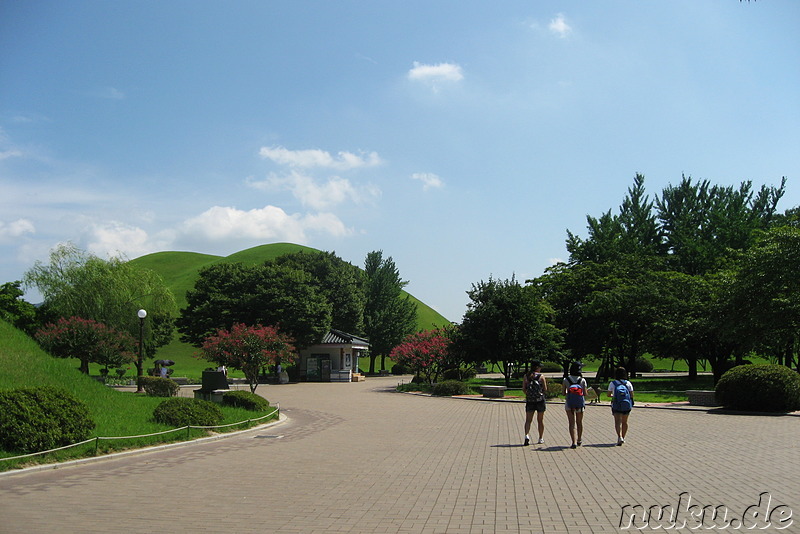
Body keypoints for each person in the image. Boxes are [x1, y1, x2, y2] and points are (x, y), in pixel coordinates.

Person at [562, 361, 587, 449]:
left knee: (571, 423)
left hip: (569, 403)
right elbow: (585, 393)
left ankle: (574, 442)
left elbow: (563, 393)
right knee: (579, 422)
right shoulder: (582, 380)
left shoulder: (566, 379)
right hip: (580, 403)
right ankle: (579, 439)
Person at [608, 366, 634, 445]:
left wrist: (615, 396)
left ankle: (619, 437)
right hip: (626, 404)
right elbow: (632, 395)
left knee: (617, 421)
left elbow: (608, 394)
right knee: (624, 422)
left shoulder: (613, 383)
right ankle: (623, 437)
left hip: (616, 404)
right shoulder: (628, 383)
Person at [522, 361, 547, 446]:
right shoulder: (541, 376)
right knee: (540, 420)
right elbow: (545, 388)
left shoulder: (526, 376)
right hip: (540, 400)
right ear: (537, 367)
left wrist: (529, 395)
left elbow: (524, 389)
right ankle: (540, 438)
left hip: (530, 401)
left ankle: (526, 435)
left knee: (528, 420)